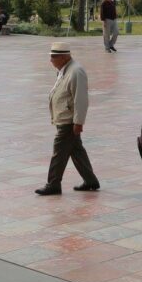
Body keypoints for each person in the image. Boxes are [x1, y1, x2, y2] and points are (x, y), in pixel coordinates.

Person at [33, 42, 99, 194]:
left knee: (59, 153)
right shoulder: (65, 69)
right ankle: (91, 181)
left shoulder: (76, 71)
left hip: (68, 122)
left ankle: (53, 184)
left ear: (64, 57)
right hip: (65, 118)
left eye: (54, 57)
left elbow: (81, 99)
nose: (51, 60)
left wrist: (78, 122)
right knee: (76, 151)